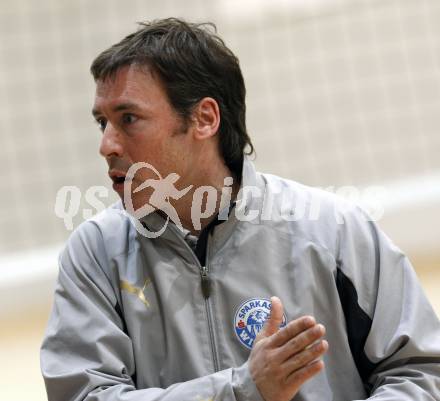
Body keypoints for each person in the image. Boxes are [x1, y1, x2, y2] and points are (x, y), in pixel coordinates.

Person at [40, 18, 440, 401]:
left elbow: (422, 373)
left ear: (204, 118)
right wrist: (243, 390)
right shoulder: (95, 254)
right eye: (102, 123)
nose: (107, 145)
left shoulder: (332, 231)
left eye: (128, 119)